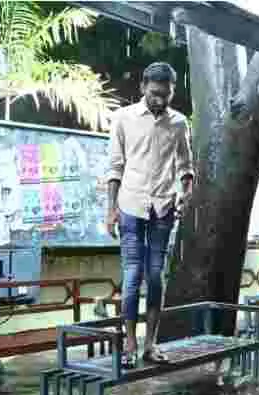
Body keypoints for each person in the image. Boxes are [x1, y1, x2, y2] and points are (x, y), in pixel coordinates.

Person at [105, 61, 195, 367]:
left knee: (156, 276)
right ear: (143, 87)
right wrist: (110, 209)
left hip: (163, 207)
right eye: (155, 93)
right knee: (132, 275)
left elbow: (186, 168)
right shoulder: (122, 119)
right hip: (130, 206)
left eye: (166, 94)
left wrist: (185, 194)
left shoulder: (180, 123)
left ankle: (150, 345)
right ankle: (129, 345)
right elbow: (115, 168)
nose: (160, 100)